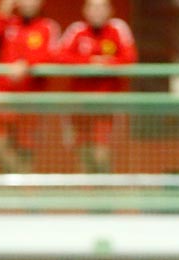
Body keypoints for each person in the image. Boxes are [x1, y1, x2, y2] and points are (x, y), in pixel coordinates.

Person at [55, 0, 137, 174]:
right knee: (83, 151)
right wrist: (90, 62)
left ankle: (105, 195)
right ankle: (87, 196)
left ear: (110, 10)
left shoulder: (118, 28)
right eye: (93, 6)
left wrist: (106, 64)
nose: (97, 11)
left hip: (106, 105)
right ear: (85, 10)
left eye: (101, 7)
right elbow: (60, 55)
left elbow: (129, 58)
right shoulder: (76, 29)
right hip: (79, 105)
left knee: (101, 153)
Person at [0, 0, 59, 173]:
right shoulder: (8, 23)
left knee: (26, 151)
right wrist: (2, 13)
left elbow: (54, 55)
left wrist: (27, 64)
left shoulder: (47, 27)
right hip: (3, 99)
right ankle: (25, 185)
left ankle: (21, 194)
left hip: (31, 102)